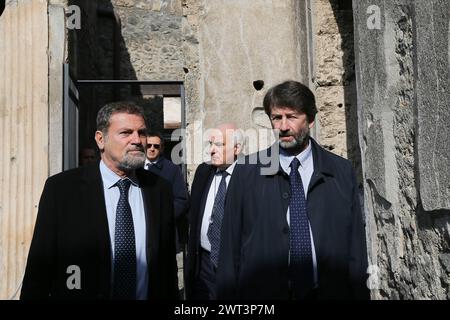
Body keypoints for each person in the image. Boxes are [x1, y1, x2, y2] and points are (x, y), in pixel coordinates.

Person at [216, 81, 369, 300]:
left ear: (311, 120)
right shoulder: (246, 172)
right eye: (277, 118)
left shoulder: (340, 171)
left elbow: (356, 251)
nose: (283, 126)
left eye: (292, 116)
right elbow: (229, 253)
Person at [21, 101, 178, 300]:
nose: (137, 140)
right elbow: (39, 268)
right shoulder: (62, 189)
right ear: (100, 139)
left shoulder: (159, 189)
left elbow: (167, 267)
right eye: (126, 132)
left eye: (142, 132)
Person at [185, 123, 244, 300]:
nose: (211, 150)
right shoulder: (203, 172)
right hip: (202, 263)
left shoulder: (251, 176)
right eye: (210, 144)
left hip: (236, 267)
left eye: (219, 144)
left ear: (237, 148)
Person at [144, 131, 189, 253]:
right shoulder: (134, 167)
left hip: (164, 231)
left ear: (162, 148)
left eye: (156, 146)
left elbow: (181, 200)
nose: (152, 149)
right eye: (149, 145)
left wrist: (164, 217)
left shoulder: (172, 170)